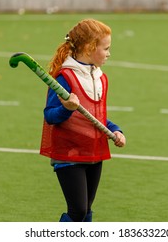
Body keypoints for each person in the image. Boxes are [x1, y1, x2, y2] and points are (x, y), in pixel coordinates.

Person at [40, 19, 126, 222]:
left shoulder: (100, 77)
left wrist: (115, 130)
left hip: (94, 152)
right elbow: (50, 115)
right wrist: (66, 109)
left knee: (86, 210)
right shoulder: (65, 77)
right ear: (89, 48)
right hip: (70, 154)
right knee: (77, 211)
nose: (109, 53)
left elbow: (96, 115)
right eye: (106, 48)